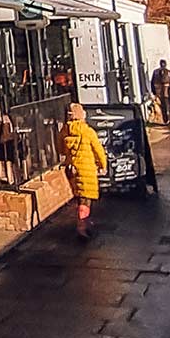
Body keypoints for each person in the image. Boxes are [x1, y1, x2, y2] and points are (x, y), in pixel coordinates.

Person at [59, 102, 108, 240]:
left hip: (72, 168)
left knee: (79, 196)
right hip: (86, 168)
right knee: (86, 199)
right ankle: (82, 226)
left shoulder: (64, 130)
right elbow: (98, 150)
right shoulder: (88, 131)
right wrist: (103, 165)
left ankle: (84, 221)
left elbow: (61, 149)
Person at [151, 59, 170, 126]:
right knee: (167, 107)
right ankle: (168, 120)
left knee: (165, 106)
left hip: (163, 93)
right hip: (165, 93)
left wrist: (154, 91)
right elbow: (153, 83)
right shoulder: (169, 72)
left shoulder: (156, 72)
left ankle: (167, 120)